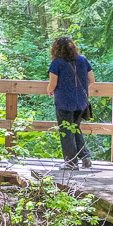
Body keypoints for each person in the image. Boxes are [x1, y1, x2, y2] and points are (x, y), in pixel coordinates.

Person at [46, 36, 93, 168]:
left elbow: (53, 83)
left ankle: (71, 162)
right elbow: (92, 80)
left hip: (64, 102)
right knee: (76, 128)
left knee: (66, 130)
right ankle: (85, 156)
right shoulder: (83, 60)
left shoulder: (56, 63)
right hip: (81, 102)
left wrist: (49, 90)